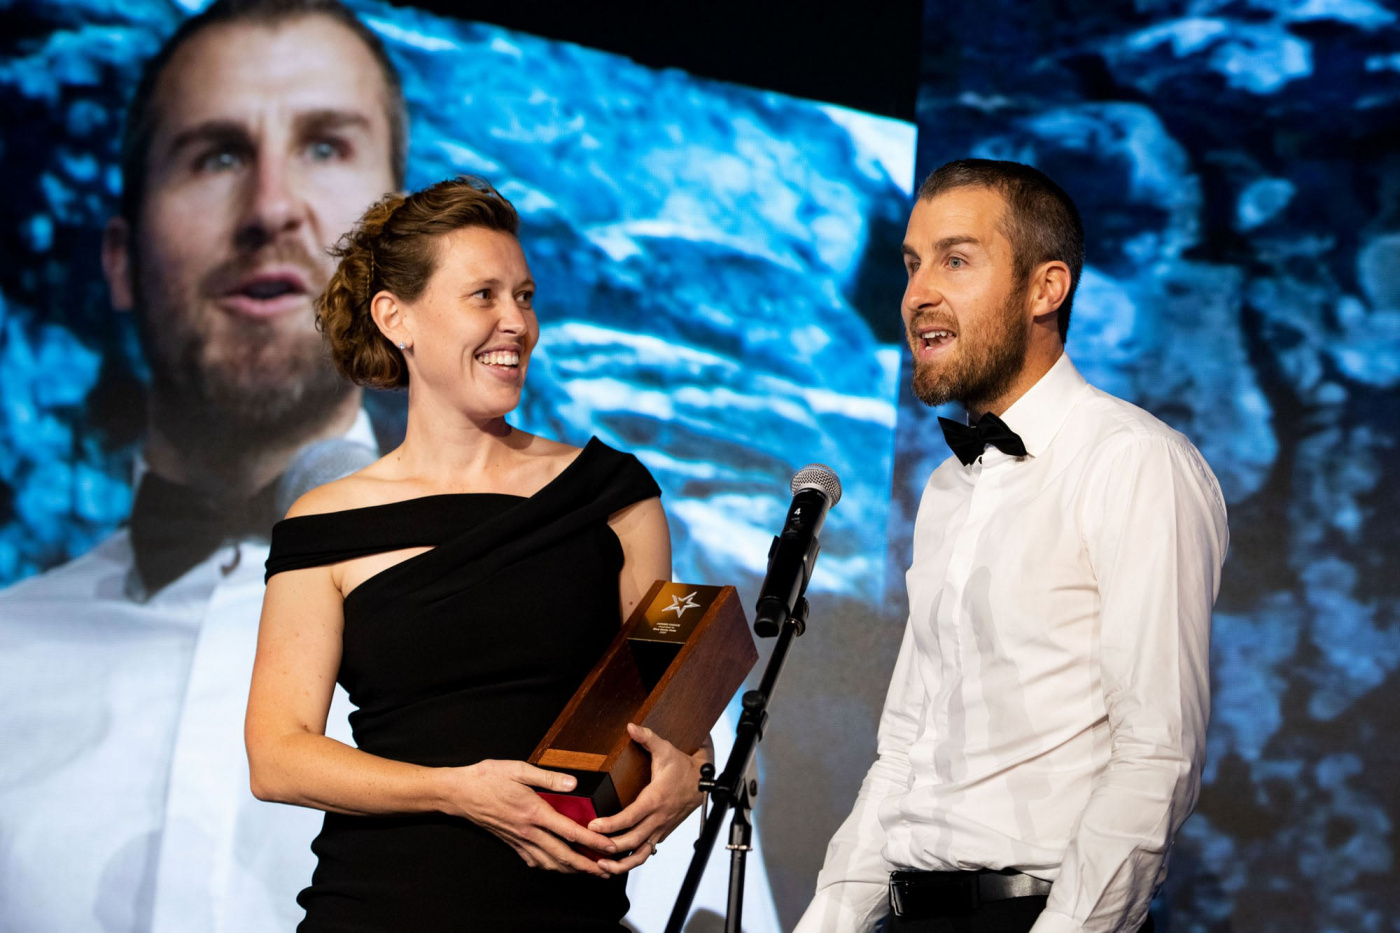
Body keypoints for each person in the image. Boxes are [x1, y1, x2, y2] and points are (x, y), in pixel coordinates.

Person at [0, 1, 405, 929]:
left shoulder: (587, 648)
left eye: (327, 147)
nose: (271, 207)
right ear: (121, 261)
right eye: (216, 154)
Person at [242, 175, 706, 930]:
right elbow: (278, 753)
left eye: (524, 296)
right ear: (397, 318)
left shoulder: (612, 494)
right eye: (482, 296)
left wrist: (690, 768)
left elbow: (668, 704)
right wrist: (456, 789)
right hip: (378, 910)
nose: (515, 323)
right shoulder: (325, 523)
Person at [796, 159, 1229, 933]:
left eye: (955, 260)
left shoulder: (1132, 461)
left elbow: (1156, 756)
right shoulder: (947, 489)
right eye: (912, 263)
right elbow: (905, 746)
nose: (917, 292)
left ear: (1046, 288)